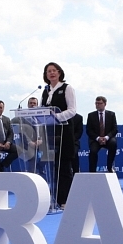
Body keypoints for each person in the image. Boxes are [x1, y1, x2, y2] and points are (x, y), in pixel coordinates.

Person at [40, 62, 77, 208]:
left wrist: (56, 117)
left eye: (54, 70)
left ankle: (65, 200)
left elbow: (72, 110)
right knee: (52, 167)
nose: (51, 73)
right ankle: (53, 198)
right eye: (48, 71)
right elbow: (42, 110)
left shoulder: (67, 88)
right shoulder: (45, 91)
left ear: (59, 73)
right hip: (49, 132)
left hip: (64, 132)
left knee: (64, 167)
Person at [86, 96, 118, 172]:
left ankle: (109, 167)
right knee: (93, 151)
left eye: (100, 103)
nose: (98, 105)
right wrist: (98, 138)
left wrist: (106, 137)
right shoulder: (91, 115)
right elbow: (89, 130)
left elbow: (115, 129)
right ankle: (92, 171)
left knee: (113, 144)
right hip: (96, 139)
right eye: (96, 103)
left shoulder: (111, 114)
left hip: (108, 138)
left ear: (105, 104)